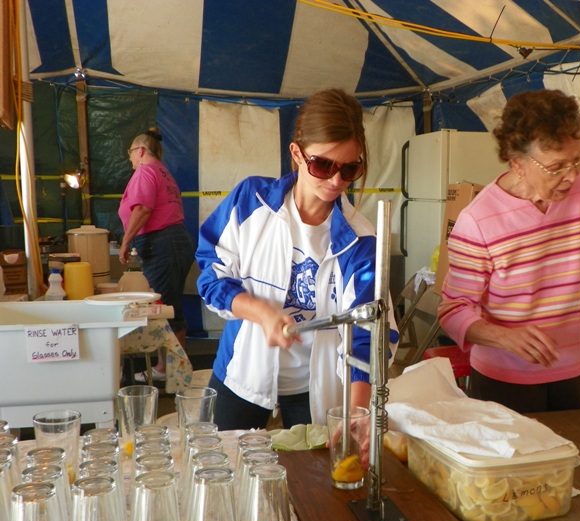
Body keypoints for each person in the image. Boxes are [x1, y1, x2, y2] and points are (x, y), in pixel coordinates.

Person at [195, 88, 398, 431]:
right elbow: (212, 275)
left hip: (313, 389)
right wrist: (261, 312)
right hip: (242, 373)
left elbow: (370, 336)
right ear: (297, 154)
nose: (336, 181)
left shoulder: (360, 242)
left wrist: (357, 411)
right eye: (323, 165)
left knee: (312, 467)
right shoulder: (251, 202)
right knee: (223, 458)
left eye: (350, 169)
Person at [437, 89, 580, 413]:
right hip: (507, 378)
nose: (572, 176)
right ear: (518, 163)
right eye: (557, 167)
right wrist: (503, 337)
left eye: (576, 160)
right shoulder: (478, 220)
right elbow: (453, 310)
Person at [118, 127, 196, 382]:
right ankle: (171, 368)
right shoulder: (164, 172)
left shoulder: (145, 171)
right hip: (175, 241)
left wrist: (126, 241)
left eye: (130, 152)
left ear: (141, 151)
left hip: (162, 243)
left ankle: (172, 371)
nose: (130, 158)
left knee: (166, 308)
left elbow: (142, 209)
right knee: (171, 306)